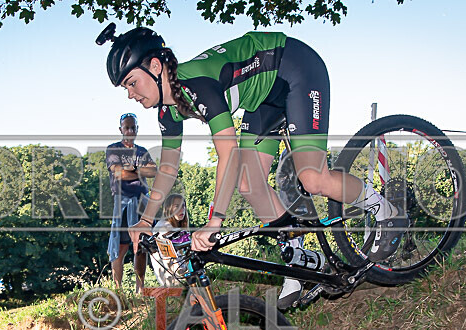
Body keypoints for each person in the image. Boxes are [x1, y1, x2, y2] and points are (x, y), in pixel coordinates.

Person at [98, 25, 408, 308]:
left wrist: (215, 220)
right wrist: (145, 220)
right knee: (249, 184)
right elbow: (168, 167)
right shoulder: (168, 111)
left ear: (155, 67)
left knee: (312, 178)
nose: (130, 94)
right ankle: (298, 262)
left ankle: (388, 213)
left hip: (295, 68)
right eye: (126, 88)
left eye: (131, 83)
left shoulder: (198, 84)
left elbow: (228, 154)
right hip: (263, 100)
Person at [105, 113, 157, 293]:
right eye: (126, 127)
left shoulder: (142, 151)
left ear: (137, 129)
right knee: (120, 247)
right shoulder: (113, 149)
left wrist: (132, 169)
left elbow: (154, 171)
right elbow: (119, 174)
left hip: (142, 202)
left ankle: (140, 290)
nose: (130, 131)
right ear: (120, 129)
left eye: (133, 127)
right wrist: (140, 170)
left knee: (141, 246)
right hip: (122, 203)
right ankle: (117, 291)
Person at [149, 193, 190, 287]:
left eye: (183, 206)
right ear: (168, 208)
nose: (182, 210)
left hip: (175, 276)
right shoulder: (164, 228)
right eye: (177, 206)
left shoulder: (172, 226)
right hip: (173, 279)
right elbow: (169, 260)